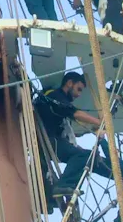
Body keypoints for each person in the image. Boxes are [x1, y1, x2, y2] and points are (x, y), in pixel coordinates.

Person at [34, 72, 109, 202]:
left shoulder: (53, 98)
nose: (78, 94)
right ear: (69, 83)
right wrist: (101, 122)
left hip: (51, 142)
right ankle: (64, 185)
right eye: (78, 89)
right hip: (48, 141)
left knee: (84, 155)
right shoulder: (55, 95)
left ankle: (56, 195)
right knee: (84, 155)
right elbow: (75, 113)